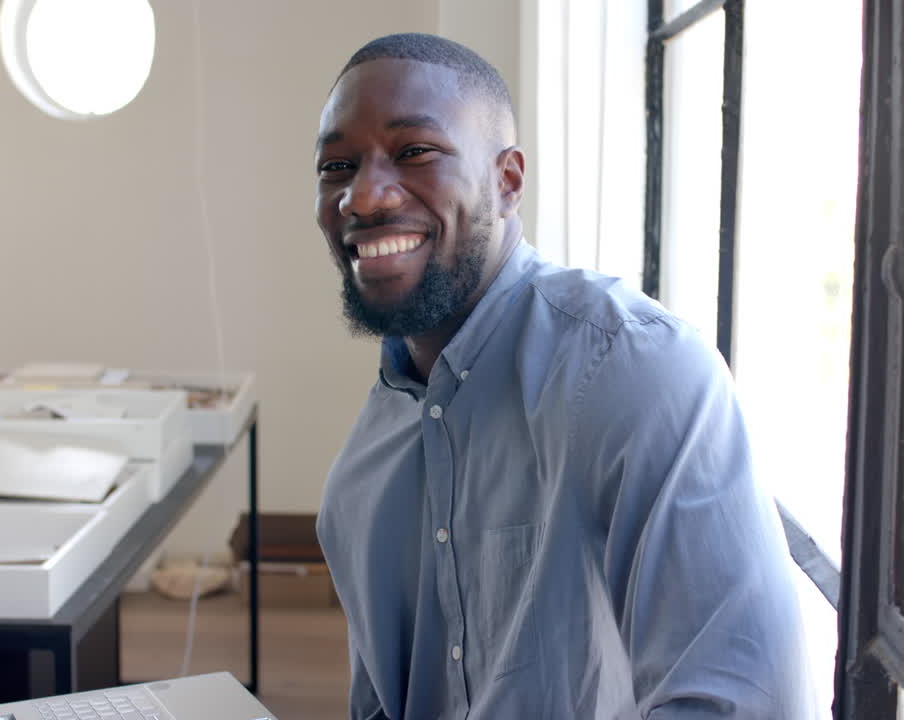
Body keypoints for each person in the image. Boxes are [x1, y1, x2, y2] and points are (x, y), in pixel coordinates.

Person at [313, 32, 813, 719]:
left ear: (508, 182)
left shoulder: (639, 372)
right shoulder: (360, 477)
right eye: (337, 165)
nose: (362, 197)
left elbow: (746, 705)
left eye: (415, 152)